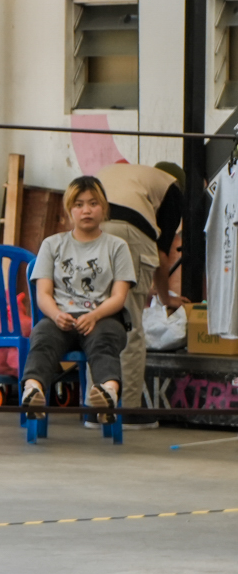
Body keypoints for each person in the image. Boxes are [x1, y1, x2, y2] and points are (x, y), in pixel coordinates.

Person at [21, 176, 133, 419]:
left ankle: (108, 394)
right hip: (61, 319)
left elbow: (119, 296)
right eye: (79, 204)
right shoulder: (52, 244)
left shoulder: (117, 246)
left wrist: (94, 316)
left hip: (102, 318)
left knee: (105, 341)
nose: (86, 210)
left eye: (93, 203)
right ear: (69, 209)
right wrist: (56, 315)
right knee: (42, 336)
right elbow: (43, 294)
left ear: (103, 207)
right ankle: (33, 391)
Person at [95, 161, 184, 414]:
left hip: (91, 226)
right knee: (130, 323)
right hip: (128, 231)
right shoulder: (172, 189)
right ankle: (127, 412)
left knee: (96, 320)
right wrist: (166, 298)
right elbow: (161, 256)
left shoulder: (128, 174)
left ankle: (94, 411)